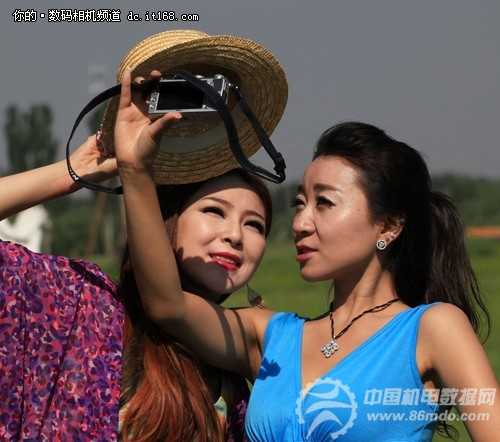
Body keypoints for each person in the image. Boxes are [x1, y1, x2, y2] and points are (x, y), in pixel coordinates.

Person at [116, 70, 499, 440]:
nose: (300, 223)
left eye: (324, 203)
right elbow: (167, 305)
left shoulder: (433, 329)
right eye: (300, 204)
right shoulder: (271, 337)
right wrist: (135, 171)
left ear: (388, 226)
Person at [0, 126, 273, 439]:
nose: (235, 235)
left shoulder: (238, 380)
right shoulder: (81, 305)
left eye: (254, 225)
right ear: (166, 218)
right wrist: (75, 170)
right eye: (215, 211)